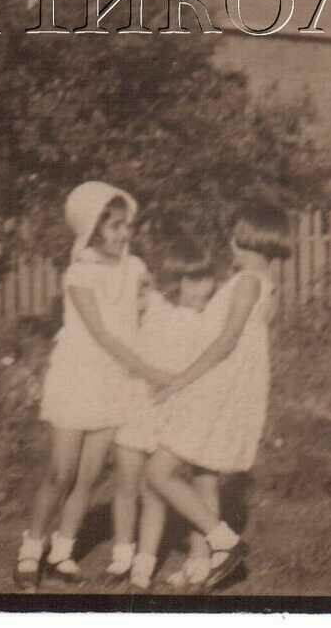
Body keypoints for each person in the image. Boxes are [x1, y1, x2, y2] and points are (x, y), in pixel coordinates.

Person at [14, 181, 172, 590]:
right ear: (92, 228)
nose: (123, 234)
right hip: (78, 376)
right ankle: (31, 549)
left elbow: (153, 308)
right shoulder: (80, 273)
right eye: (114, 226)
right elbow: (103, 335)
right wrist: (148, 370)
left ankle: (62, 552)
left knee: (88, 476)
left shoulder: (135, 268)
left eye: (126, 226)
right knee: (61, 472)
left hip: (114, 381)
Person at [145, 201, 292, 594]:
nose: (230, 242)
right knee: (203, 477)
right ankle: (199, 562)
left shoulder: (246, 282)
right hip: (226, 388)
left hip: (215, 388)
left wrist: (180, 381)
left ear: (243, 239)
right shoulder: (265, 283)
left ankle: (223, 541)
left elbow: (226, 342)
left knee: (158, 472)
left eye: (234, 234)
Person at [106, 238, 218, 591]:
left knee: (154, 489)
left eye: (207, 279)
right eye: (192, 280)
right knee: (125, 485)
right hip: (135, 402)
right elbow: (128, 276)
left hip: (169, 408)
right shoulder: (154, 306)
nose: (203, 288)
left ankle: (144, 564)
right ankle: (122, 555)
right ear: (174, 282)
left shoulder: (207, 323)